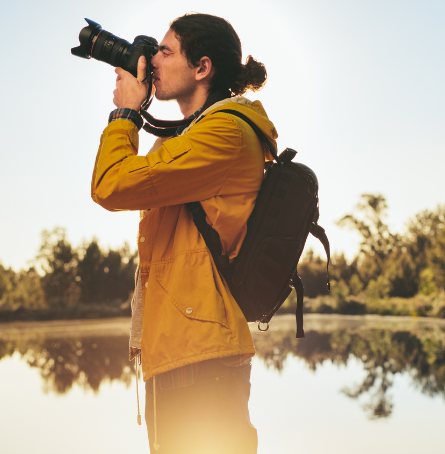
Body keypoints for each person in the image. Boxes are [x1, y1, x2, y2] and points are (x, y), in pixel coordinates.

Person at [91, 13, 277, 454]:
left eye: (165, 51)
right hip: (180, 348)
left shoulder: (225, 132)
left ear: (202, 67)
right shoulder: (191, 134)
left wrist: (124, 114)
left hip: (200, 355)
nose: (153, 60)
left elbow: (111, 184)